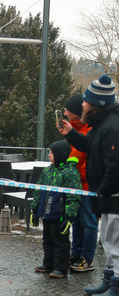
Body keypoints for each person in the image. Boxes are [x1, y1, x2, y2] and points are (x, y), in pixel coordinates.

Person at [59, 74, 119, 296]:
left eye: (85, 100)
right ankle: (109, 280)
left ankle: (117, 287)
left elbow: (115, 165)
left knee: (115, 242)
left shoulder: (112, 126)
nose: (82, 104)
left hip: (114, 196)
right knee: (109, 240)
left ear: (96, 104)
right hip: (108, 196)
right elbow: (89, 145)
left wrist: (103, 190)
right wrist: (71, 134)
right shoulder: (101, 123)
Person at [29, 141, 82, 278]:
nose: (49, 155)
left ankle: (60, 267)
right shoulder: (48, 170)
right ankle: (48, 263)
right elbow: (38, 190)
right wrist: (35, 209)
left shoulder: (70, 172)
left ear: (60, 154)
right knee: (47, 239)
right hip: (47, 212)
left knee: (60, 241)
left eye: (51, 153)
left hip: (60, 214)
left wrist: (69, 216)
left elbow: (74, 196)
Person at [62, 95, 97, 273]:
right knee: (77, 221)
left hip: (86, 186)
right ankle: (76, 253)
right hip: (77, 185)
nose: (64, 113)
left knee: (88, 223)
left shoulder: (87, 132)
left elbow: (79, 160)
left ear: (76, 113)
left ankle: (87, 258)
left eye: (67, 110)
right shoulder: (76, 131)